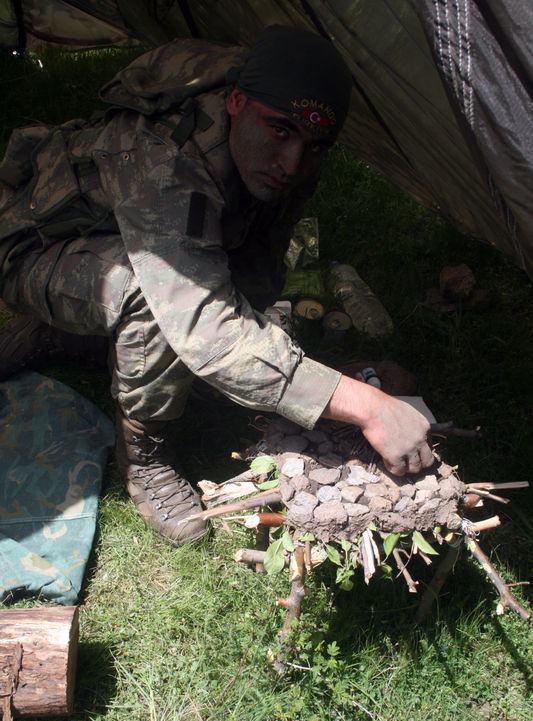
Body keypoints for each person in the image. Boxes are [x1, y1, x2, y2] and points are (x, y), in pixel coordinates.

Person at [0, 26, 434, 546]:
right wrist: (365, 405)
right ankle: (144, 456)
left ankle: (74, 338)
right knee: (153, 298)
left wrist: (284, 375)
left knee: (231, 292)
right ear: (235, 102)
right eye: (280, 132)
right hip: (32, 248)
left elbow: (257, 261)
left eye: (314, 146)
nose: (292, 163)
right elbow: (204, 325)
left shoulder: (278, 142)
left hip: (118, 233)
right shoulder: (164, 160)